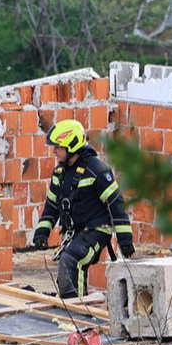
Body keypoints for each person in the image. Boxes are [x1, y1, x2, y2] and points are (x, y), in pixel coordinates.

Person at [30, 120, 135, 300]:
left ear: (71, 145)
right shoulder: (60, 174)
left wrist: (125, 239)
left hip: (97, 230)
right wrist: (42, 232)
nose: (54, 151)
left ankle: (76, 312)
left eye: (58, 147)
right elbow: (52, 206)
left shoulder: (97, 170)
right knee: (69, 264)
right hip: (75, 233)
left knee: (71, 260)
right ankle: (73, 306)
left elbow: (116, 203)